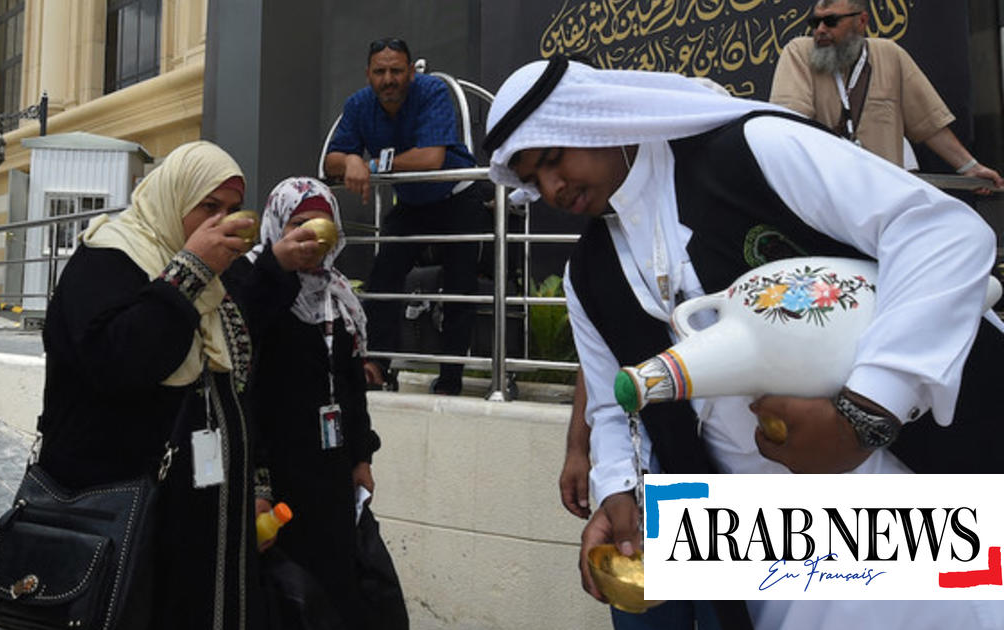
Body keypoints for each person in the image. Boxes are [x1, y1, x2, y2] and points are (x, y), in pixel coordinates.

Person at [484, 58, 1004, 629]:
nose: (552, 187)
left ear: (598, 120)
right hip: (766, 542)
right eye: (533, 178)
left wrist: (866, 413)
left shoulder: (751, 151)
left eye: (554, 158)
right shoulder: (588, 275)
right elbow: (612, 406)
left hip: (904, 480)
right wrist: (620, 491)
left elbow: (939, 231)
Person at [38, 141, 271, 629]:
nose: (221, 222)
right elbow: (119, 362)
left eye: (231, 210)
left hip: (207, 507)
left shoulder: (224, 278)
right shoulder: (109, 259)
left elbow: (245, 386)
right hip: (130, 508)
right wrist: (186, 274)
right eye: (209, 207)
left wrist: (257, 483)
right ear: (173, 198)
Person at [227, 177, 380, 629]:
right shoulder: (252, 279)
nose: (311, 236)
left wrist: (361, 456)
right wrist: (278, 265)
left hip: (330, 472)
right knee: (282, 597)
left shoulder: (338, 295)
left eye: (321, 224)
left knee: (333, 591)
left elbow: (351, 383)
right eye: (298, 223)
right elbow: (241, 356)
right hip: (275, 473)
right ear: (278, 224)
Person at [324, 37, 482, 396]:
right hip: (412, 202)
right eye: (380, 71)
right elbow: (331, 161)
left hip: (455, 195)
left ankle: (451, 380)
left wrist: (368, 164)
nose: (389, 79)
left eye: (397, 70)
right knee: (382, 281)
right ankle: (378, 367)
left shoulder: (432, 92)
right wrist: (349, 161)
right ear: (368, 74)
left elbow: (431, 160)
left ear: (411, 72)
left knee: (460, 288)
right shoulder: (359, 104)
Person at [770, 0, 1003, 189]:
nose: (820, 30)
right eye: (816, 22)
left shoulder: (890, 55)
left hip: (884, 195)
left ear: (861, 21)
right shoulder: (800, 52)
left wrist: (969, 167)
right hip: (826, 192)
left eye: (831, 21)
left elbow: (929, 123)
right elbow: (791, 124)